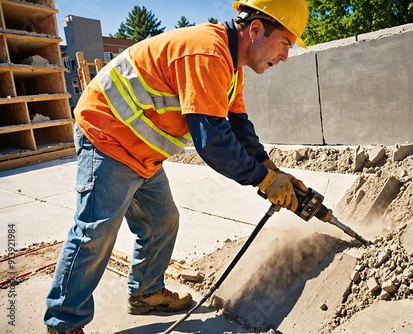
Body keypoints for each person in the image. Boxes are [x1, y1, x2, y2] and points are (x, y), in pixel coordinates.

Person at [45, 0, 309, 333]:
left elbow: (239, 128)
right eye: (285, 43)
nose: (285, 55)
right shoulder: (207, 53)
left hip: (139, 148)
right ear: (256, 30)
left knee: (162, 220)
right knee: (95, 231)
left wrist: (274, 171)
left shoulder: (231, 70)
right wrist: (263, 179)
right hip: (107, 133)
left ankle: (146, 293)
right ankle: (63, 322)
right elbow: (212, 141)